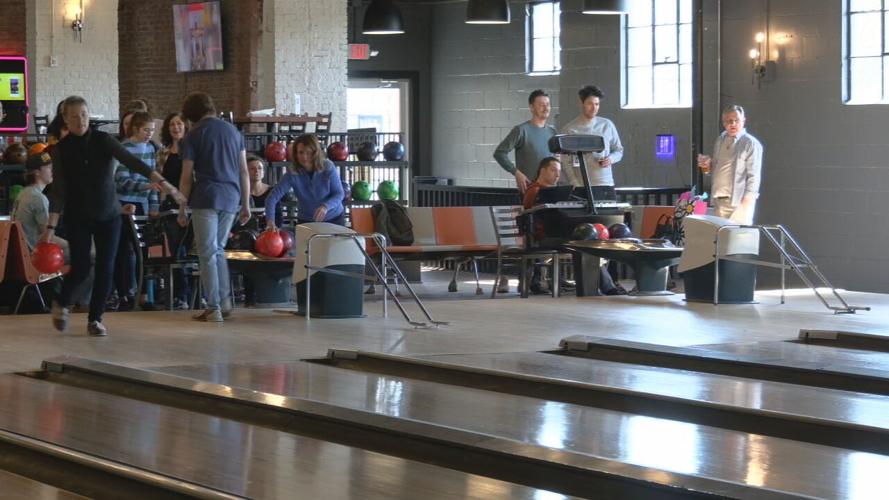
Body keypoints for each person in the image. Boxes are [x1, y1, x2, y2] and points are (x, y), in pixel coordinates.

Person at [41, 95, 185, 336]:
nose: (81, 121)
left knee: (107, 267)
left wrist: (166, 185)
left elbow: (133, 162)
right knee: (82, 266)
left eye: (84, 115)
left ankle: (95, 319)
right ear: (66, 119)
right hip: (78, 216)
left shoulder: (103, 140)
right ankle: (62, 302)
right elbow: (59, 191)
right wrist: (51, 227)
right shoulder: (61, 150)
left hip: (109, 214)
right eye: (74, 116)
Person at [177, 91, 250, 323]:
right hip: (231, 197)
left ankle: (213, 306)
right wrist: (246, 203)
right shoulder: (233, 132)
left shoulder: (193, 135)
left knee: (207, 252)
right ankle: (224, 300)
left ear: (191, 116)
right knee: (218, 249)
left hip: (207, 197)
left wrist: (181, 205)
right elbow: (244, 171)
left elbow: (187, 175)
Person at [111, 111, 161, 311]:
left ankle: (143, 293)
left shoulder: (150, 149)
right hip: (125, 202)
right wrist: (145, 187)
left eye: (152, 130)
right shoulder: (125, 148)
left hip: (143, 204)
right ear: (135, 129)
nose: (150, 134)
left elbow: (154, 178)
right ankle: (124, 293)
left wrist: (154, 204)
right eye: (146, 130)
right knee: (124, 250)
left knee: (143, 251)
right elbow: (121, 180)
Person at [697, 104, 763, 224]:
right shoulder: (720, 140)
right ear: (723, 123)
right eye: (728, 121)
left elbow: (754, 175)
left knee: (738, 239)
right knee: (721, 240)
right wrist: (706, 166)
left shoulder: (750, 143)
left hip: (739, 202)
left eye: (736, 120)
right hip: (718, 200)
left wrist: (746, 203)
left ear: (743, 121)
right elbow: (712, 171)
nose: (732, 124)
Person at [264, 134, 345, 229]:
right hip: (306, 221)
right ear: (296, 154)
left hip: (334, 218)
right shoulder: (292, 172)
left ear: (315, 153)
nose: (304, 157)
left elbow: (339, 194)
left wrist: (325, 207)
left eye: (308, 152)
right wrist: (270, 221)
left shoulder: (328, 167)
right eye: (301, 152)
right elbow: (272, 198)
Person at [493, 89, 557, 194]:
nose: (546, 108)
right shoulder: (521, 130)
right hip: (529, 190)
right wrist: (516, 173)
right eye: (541, 105)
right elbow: (499, 153)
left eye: (548, 104)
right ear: (531, 107)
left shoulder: (553, 131)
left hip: (550, 190)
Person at [560, 85, 624, 188]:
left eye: (597, 104)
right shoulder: (570, 129)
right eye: (590, 104)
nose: (594, 108)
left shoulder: (607, 125)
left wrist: (611, 159)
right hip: (582, 185)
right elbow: (565, 161)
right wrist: (575, 183)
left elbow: (619, 150)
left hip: (606, 183)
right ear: (582, 103)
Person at [12, 152, 67, 253]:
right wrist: (72, 244)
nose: (53, 171)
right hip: (35, 253)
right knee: (85, 252)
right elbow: (47, 237)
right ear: (37, 172)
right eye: (49, 168)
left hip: (21, 251)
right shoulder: (37, 197)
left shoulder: (24, 192)